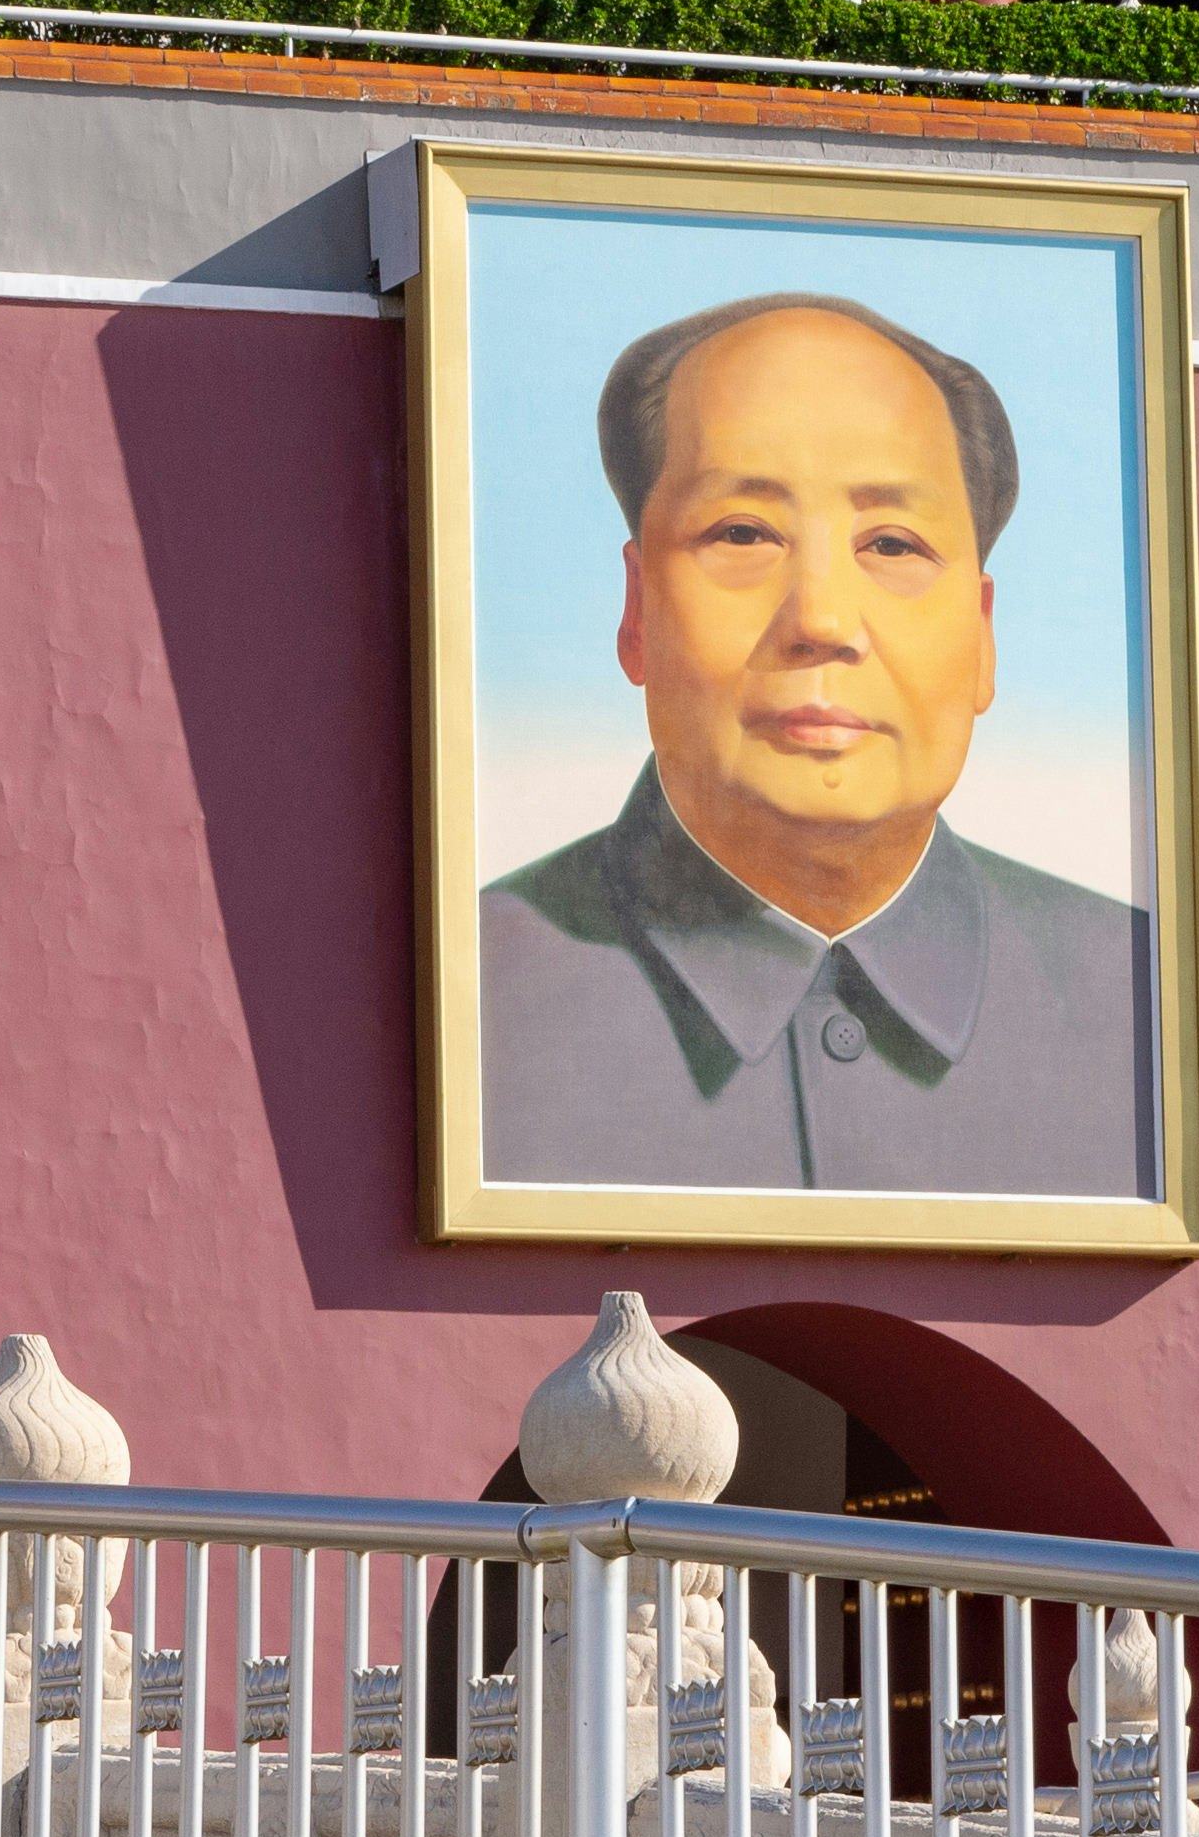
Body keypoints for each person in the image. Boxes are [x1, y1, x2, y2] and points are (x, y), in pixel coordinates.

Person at [476, 293, 1156, 1197]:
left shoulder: (1147, 1009)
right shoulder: (473, 992)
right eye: (745, 533)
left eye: (893, 544)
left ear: (984, 637)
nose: (823, 621)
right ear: (637, 613)